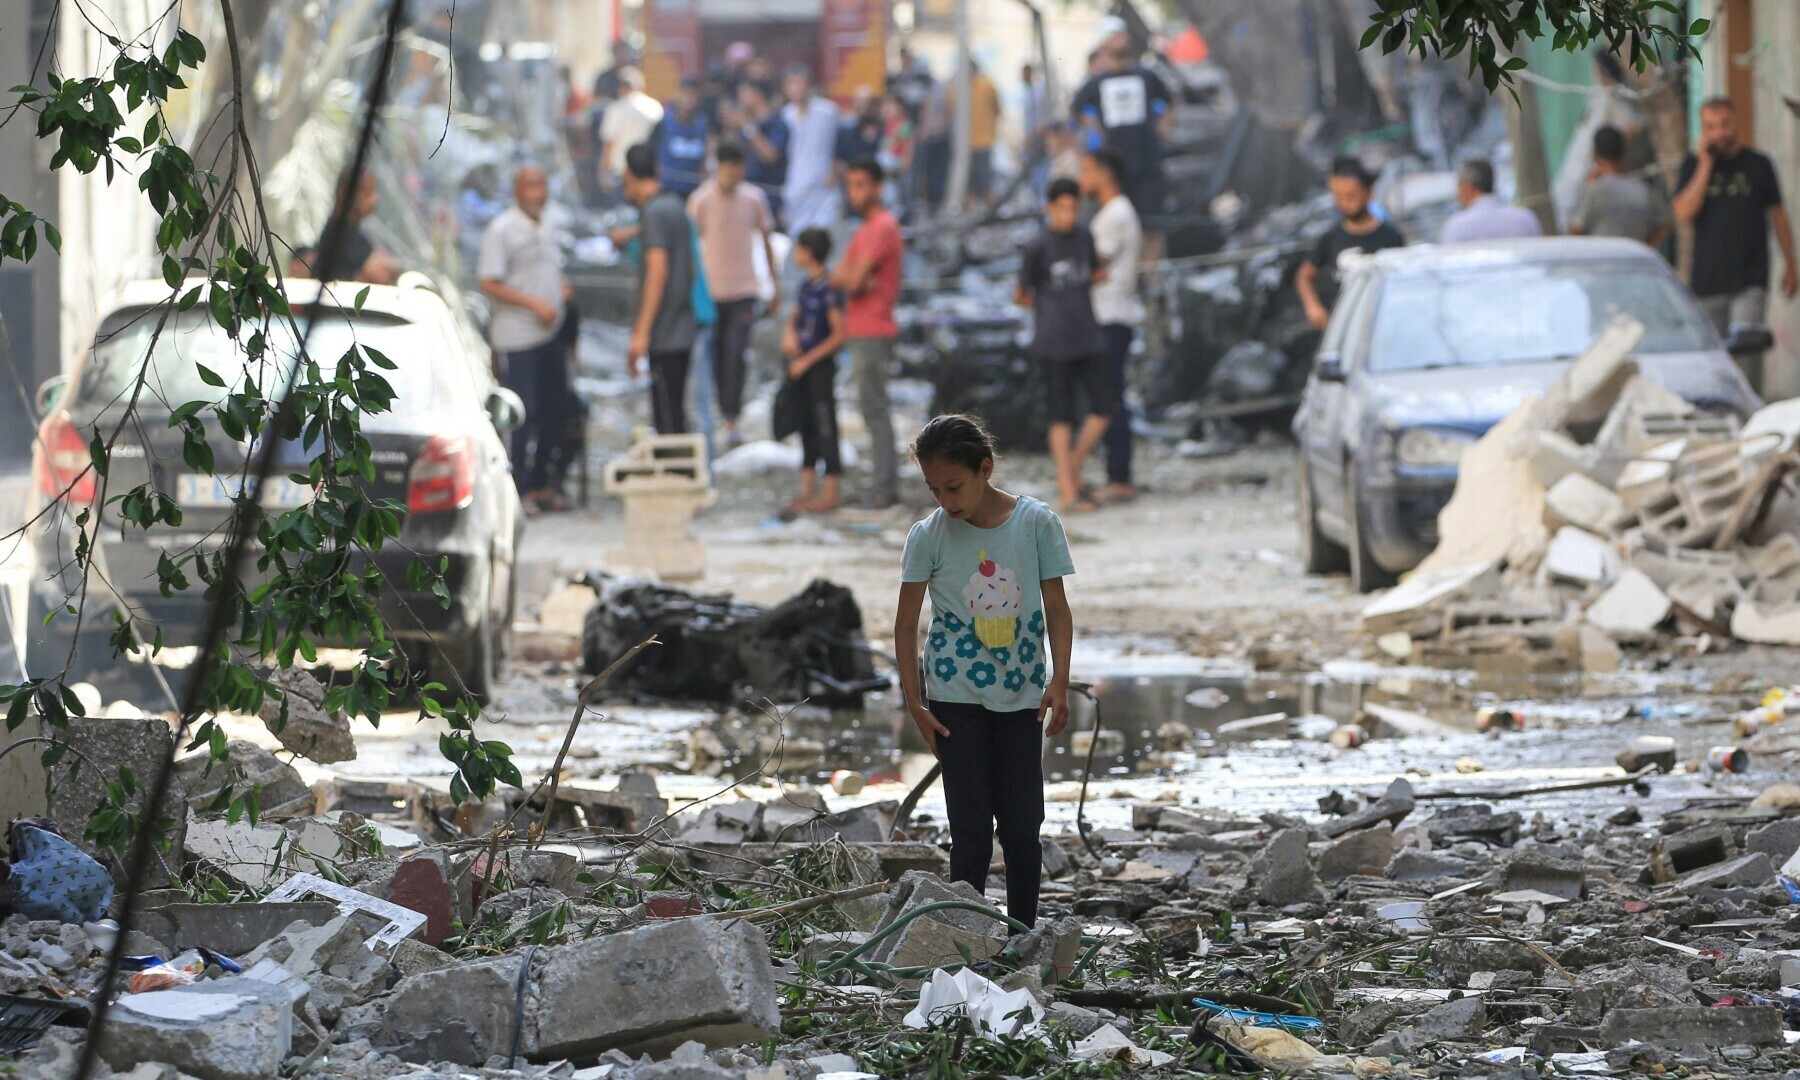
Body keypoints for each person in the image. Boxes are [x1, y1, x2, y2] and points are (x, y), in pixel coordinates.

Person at [894, 413, 1076, 929]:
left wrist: (1058, 681)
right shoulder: (927, 536)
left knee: (1022, 826)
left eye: (954, 486)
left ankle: (1022, 932)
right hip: (953, 695)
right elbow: (905, 625)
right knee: (969, 825)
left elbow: (1057, 609)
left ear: (985, 469)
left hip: (1021, 695)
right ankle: (965, 938)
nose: (945, 501)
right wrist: (916, 702)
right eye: (934, 489)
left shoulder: (1036, 523)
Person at [478, 167, 573, 513]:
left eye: (543, 185)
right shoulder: (502, 229)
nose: (540, 193)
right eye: (533, 186)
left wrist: (558, 289)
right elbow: (489, 281)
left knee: (556, 409)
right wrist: (533, 303)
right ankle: (514, 490)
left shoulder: (547, 224)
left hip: (550, 334)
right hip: (516, 337)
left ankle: (540, 484)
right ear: (518, 191)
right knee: (521, 414)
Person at [1017, 178, 1111, 513]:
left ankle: (1069, 471)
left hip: (1087, 333)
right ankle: (1069, 489)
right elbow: (1021, 293)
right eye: (1062, 208)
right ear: (1050, 209)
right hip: (1053, 340)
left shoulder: (1085, 238)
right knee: (1061, 414)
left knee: (1103, 406)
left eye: (1073, 208)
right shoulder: (1038, 247)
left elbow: (1097, 272)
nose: (1068, 215)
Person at [1674, 97, 1798, 349]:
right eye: (1710, 127)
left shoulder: (1759, 165)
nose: (1719, 132)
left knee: (1747, 352)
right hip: (1707, 282)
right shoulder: (1692, 165)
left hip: (1749, 279)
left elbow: (1779, 217)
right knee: (1714, 360)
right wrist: (1705, 166)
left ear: (1735, 124)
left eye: (1724, 124)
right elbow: (1683, 213)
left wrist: (1791, 266)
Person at [690, 142, 779, 448]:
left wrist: (774, 285)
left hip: (745, 290)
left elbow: (766, 241)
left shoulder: (754, 198)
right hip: (712, 293)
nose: (732, 173)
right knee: (716, 357)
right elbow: (692, 246)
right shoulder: (700, 200)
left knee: (736, 355)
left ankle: (732, 418)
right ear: (718, 166)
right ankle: (721, 414)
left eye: (737, 167)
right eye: (727, 166)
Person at [831, 159, 903, 508]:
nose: (854, 192)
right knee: (871, 408)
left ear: (877, 187)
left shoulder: (881, 227)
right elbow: (839, 277)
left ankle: (884, 488)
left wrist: (858, 279)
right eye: (851, 184)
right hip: (861, 327)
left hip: (873, 328)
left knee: (875, 409)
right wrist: (854, 278)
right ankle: (882, 484)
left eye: (861, 184)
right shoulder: (863, 230)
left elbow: (852, 279)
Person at [623, 143, 699, 434]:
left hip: (665, 335)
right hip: (682, 327)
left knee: (667, 418)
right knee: (675, 412)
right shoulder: (674, 205)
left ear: (630, 176)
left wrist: (641, 333)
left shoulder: (654, 213)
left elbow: (658, 271)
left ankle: (675, 475)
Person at [1081, 150, 1142, 505]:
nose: (1083, 177)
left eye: (1087, 170)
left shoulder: (1115, 214)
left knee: (1110, 399)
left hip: (1112, 315)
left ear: (1104, 174)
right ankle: (1115, 473)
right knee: (1109, 396)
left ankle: (1120, 477)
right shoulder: (1111, 213)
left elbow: (1094, 265)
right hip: (1107, 316)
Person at [1071, 27, 1173, 239]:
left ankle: (1150, 272)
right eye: (1114, 36)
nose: (1120, 39)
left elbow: (1169, 101)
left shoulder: (1146, 76)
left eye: (1122, 34)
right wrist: (1094, 127)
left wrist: (1164, 126)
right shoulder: (1097, 83)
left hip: (1147, 161)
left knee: (1152, 226)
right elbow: (1075, 108)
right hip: (1116, 167)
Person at [1297, 157, 1407, 330]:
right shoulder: (1331, 237)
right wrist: (1313, 306)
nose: (1344, 203)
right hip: (1343, 328)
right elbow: (1304, 275)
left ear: (1368, 193)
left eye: (1351, 196)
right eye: (1338, 196)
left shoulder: (1391, 237)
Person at [783, 228, 846, 513]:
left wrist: (808, 360)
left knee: (825, 427)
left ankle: (830, 492)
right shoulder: (806, 286)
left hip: (819, 368)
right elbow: (794, 318)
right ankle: (807, 490)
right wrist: (789, 335)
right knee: (806, 426)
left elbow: (839, 334)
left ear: (808, 251)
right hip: (801, 369)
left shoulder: (828, 288)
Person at [1571, 125, 1672, 246]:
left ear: (1595, 153)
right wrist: (1644, 245)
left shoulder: (1595, 190)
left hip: (1602, 260)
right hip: (1634, 260)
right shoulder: (1643, 190)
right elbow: (1666, 223)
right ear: (1623, 151)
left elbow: (1576, 231)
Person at [782, 66, 843, 233]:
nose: (798, 87)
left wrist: (837, 170)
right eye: (792, 83)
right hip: (796, 189)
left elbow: (843, 143)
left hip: (824, 188)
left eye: (801, 82)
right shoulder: (785, 116)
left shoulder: (828, 112)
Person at [314, 171, 400, 284]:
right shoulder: (337, 236)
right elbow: (379, 272)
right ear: (344, 193)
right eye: (367, 193)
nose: (374, 200)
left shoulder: (358, 236)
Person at [1440, 158, 1542, 243]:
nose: (1458, 195)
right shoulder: (1525, 219)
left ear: (1467, 187)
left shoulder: (1457, 226)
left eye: (1459, 189)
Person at [945, 60, 1002, 209]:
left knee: (984, 180)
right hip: (964, 143)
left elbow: (997, 109)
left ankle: (991, 211)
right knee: (967, 182)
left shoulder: (987, 85)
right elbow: (950, 111)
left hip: (983, 140)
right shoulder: (955, 88)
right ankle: (970, 212)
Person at [732, 79, 789, 224]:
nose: (740, 98)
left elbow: (770, 155)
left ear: (757, 95)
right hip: (745, 196)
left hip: (770, 199)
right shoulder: (746, 122)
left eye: (744, 93)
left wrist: (748, 128)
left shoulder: (777, 123)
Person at [599, 68, 663, 197]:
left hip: (623, 174)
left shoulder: (616, 109)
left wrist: (603, 173)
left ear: (621, 88)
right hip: (647, 175)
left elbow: (608, 144)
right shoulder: (655, 108)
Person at [656, 76, 712, 200]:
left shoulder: (702, 125)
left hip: (694, 193)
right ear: (678, 95)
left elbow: (706, 159)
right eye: (685, 93)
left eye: (693, 94)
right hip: (667, 192)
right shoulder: (664, 123)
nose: (689, 99)